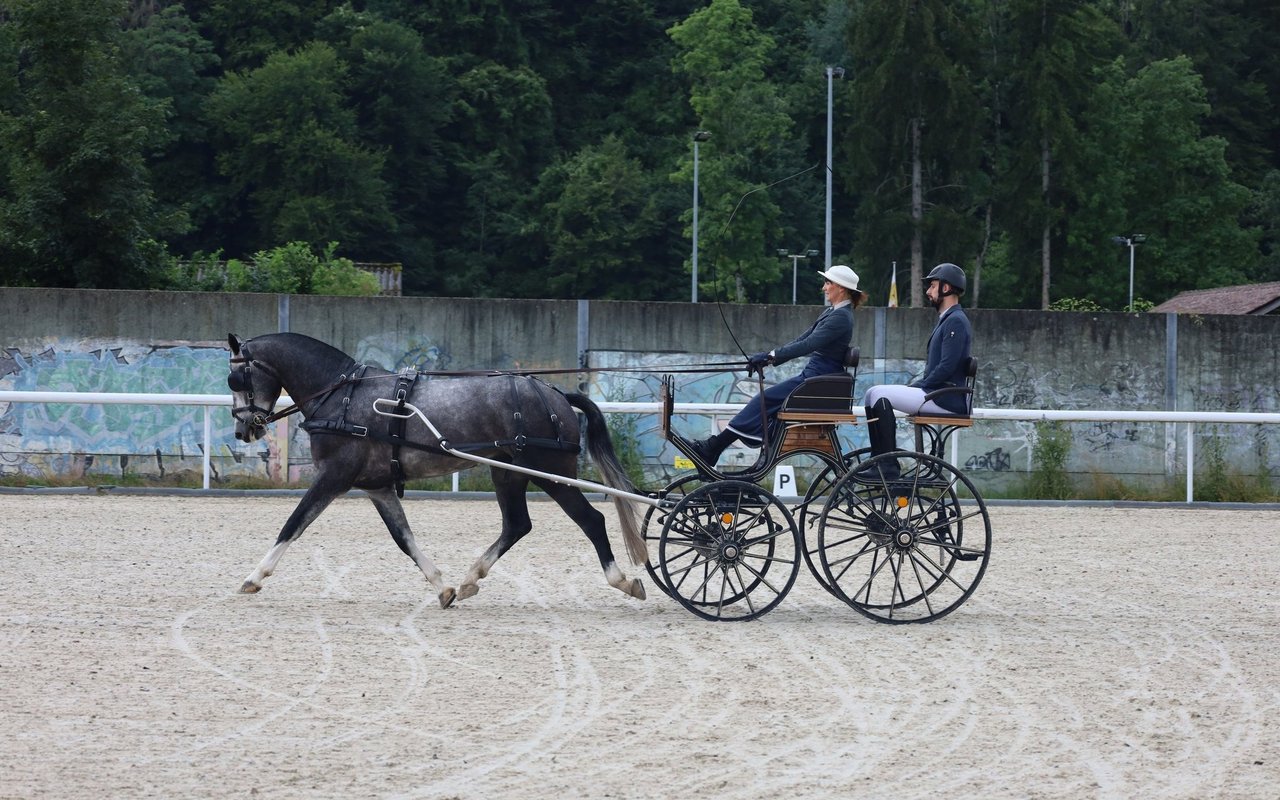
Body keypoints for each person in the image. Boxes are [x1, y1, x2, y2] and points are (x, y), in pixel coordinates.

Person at [690, 264, 866, 468]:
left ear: (841, 288)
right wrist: (769, 358)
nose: (824, 288)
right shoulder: (832, 312)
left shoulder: (841, 317)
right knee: (766, 403)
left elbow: (809, 345)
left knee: (762, 401)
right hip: (814, 376)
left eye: (828, 283)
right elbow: (803, 338)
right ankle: (718, 447)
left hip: (817, 379)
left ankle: (713, 447)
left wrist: (771, 356)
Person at [854, 262, 972, 480]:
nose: (928, 291)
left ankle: (887, 464)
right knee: (872, 394)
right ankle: (879, 458)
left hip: (945, 398)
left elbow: (947, 366)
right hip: (938, 393)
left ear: (946, 288)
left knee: (879, 394)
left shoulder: (955, 321)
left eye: (932, 286)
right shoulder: (949, 320)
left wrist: (919, 386)